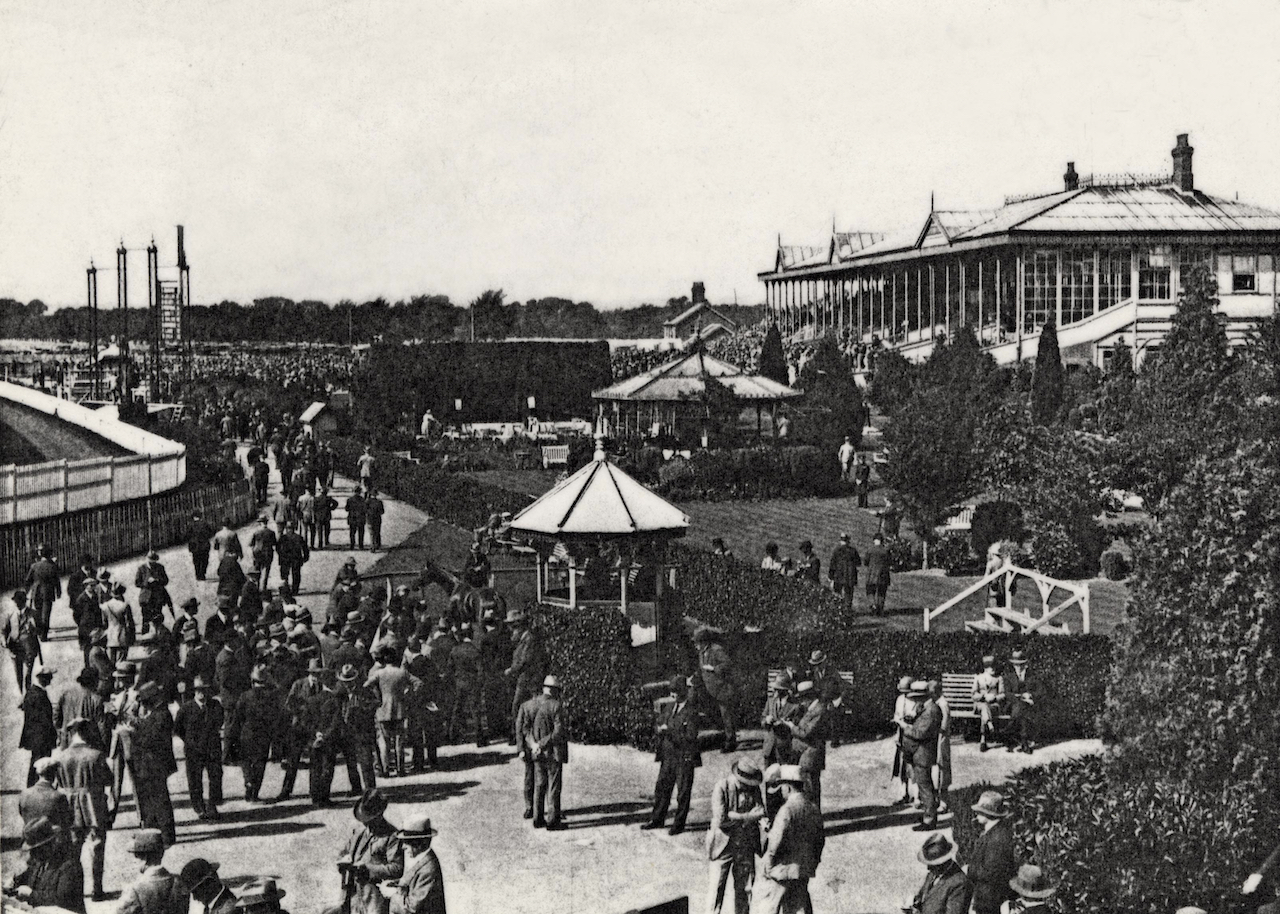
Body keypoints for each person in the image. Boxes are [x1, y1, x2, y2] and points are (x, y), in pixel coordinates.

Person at [752, 765, 823, 914]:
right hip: (803, 868)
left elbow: (776, 841)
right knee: (799, 908)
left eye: (782, 787)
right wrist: (813, 861)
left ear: (788, 787)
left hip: (782, 869)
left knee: (770, 906)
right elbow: (820, 839)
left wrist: (769, 862)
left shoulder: (787, 809)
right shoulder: (813, 807)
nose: (781, 791)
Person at [59, 718, 114, 901]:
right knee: (97, 848)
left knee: (72, 850)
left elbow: (58, 783)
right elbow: (108, 780)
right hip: (93, 806)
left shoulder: (62, 756)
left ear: (71, 733)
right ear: (86, 732)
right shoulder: (96, 755)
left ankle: (74, 891)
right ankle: (97, 891)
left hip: (70, 808)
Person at [642, 675, 700, 836]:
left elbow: (691, 736)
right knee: (661, 788)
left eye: (676, 692)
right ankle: (657, 819)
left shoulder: (691, 712)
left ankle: (679, 824)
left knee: (682, 792)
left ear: (683, 692)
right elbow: (659, 723)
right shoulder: (669, 707)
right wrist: (659, 728)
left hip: (684, 757)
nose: (673, 695)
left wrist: (670, 731)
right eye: (672, 692)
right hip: (668, 756)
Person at [707, 758, 764, 914]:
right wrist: (747, 817)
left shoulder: (754, 788)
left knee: (745, 889)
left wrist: (736, 816)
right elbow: (722, 820)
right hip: (722, 845)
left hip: (745, 844)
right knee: (716, 889)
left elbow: (761, 811)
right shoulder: (722, 787)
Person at [336, 788, 404, 914]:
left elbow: (397, 868)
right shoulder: (358, 831)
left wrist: (368, 869)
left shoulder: (391, 836)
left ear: (379, 815)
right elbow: (345, 851)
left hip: (374, 900)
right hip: (352, 896)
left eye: (369, 820)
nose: (366, 824)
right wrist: (343, 859)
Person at [126, 681, 178, 846]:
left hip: (154, 764)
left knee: (159, 800)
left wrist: (133, 729)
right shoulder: (158, 712)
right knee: (152, 799)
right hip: (151, 764)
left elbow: (150, 738)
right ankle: (156, 832)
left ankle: (167, 836)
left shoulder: (161, 714)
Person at [514, 674, 568, 829]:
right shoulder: (556, 706)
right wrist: (543, 744)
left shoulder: (531, 705)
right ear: (554, 690)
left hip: (537, 753)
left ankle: (537, 819)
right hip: (553, 752)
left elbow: (524, 728)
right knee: (554, 787)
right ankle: (553, 821)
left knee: (539, 785)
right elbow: (559, 732)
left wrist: (534, 745)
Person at [3, 818, 86, 913]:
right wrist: (13, 881)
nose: (33, 854)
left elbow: (61, 900)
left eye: (37, 849)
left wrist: (31, 894)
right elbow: (27, 875)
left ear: (51, 844)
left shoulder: (69, 865)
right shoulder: (40, 861)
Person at [174, 675, 225, 821]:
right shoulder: (186, 709)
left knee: (215, 777)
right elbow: (177, 728)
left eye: (204, 690)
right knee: (195, 780)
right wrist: (189, 740)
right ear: (194, 692)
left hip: (212, 748)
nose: (201, 693)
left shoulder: (215, 706)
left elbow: (219, 722)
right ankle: (199, 807)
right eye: (198, 690)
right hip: (193, 750)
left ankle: (212, 806)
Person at [233, 664, 281, 802]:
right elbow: (275, 718)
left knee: (246, 761)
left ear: (253, 682)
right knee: (260, 764)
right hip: (263, 735)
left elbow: (237, 717)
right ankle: (253, 794)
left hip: (246, 733)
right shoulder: (271, 697)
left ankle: (248, 780)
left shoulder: (245, 696)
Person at [967, 790, 1017, 914]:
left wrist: (969, 869)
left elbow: (992, 872)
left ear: (988, 814)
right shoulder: (994, 832)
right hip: (986, 896)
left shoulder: (997, 839)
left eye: (979, 812)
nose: (976, 814)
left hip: (990, 900)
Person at [902, 680, 941, 831]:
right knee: (923, 784)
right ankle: (928, 813)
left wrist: (906, 728)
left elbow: (921, 733)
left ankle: (929, 819)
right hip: (919, 752)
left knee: (925, 787)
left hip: (923, 753)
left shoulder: (932, 710)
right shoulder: (925, 707)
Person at [117, 829, 186, 914]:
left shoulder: (134, 889)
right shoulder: (178, 882)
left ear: (144, 858)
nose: (134, 862)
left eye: (136, 856)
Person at [367, 647, 411, 778]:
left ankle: (385, 770)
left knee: (384, 743)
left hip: (383, 710)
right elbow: (418, 683)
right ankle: (400, 769)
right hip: (399, 709)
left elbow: (366, 685)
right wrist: (406, 694)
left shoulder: (379, 674)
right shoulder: (402, 673)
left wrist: (376, 697)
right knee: (399, 741)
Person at [504, 608, 546, 741]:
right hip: (525, 678)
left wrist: (511, 670)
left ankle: (519, 736)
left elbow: (525, 660)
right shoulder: (523, 639)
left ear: (518, 626)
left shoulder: (529, 639)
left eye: (511, 626)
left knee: (518, 707)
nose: (510, 629)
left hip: (529, 679)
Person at [785, 680, 827, 809]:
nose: (801, 702)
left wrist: (791, 726)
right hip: (805, 753)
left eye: (802, 699)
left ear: (809, 697)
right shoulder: (810, 708)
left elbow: (805, 733)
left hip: (811, 755)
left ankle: (814, 821)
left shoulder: (819, 710)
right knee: (807, 788)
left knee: (811, 789)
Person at [391, 814, 446, 914]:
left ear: (421, 843)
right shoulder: (424, 859)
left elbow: (412, 907)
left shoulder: (428, 869)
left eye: (407, 842)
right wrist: (396, 884)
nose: (403, 847)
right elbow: (414, 879)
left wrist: (392, 895)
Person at [694, 626, 738, 752]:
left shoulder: (716, 650)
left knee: (727, 716)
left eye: (697, 643)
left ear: (704, 642)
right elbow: (701, 669)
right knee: (718, 716)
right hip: (711, 690)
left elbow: (728, 664)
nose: (696, 646)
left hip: (723, 689)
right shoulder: (701, 652)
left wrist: (714, 668)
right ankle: (724, 737)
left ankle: (731, 742)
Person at [907, 833, 971, 914]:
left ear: (943, 863)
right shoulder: (933, 873)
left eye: (932, 865)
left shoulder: (959, 883)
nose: (928, 868)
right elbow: (923, 897)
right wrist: (914, 903)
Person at [21, 666, 58, 786]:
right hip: (41, 737)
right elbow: (43, 720)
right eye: (49, 677)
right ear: (42, 678)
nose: (51, 680)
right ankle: (35, 788)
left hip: (36, 737)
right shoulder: (38, 695)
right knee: (40, 764)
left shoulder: (33, 692)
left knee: (36, 762)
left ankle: (33, 787)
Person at [56, 666, 106, 750]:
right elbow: (102, 726)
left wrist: (61, 733)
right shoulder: (96, 699)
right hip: (88, 745)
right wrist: (104, 747)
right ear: (94, 682)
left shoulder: (66, 694)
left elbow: (56, 717)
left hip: (67, 743)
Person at [20, 756, 72, 829]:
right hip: (51, 839)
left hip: (30, 838)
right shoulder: (59, 796)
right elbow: (66, 821)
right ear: (54, 774)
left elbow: (22, 814)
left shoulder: (24, 794)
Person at [760, 672, 798, 767]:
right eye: (775, 689)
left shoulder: (795, 705)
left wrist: (785, 724)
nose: (775, 692)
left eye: (778, 689)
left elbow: (797, 727)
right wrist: (766, 721)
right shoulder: (770, 701)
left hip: (784, 749)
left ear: (785, 690)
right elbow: (762, 719)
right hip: (769, 748)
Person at [25, 544, 61, 642]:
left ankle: (40, 631)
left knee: (38, 613)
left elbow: (28, 580)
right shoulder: (53, 566)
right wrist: (58, 591)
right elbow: (56, 580)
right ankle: (43, 636)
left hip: (36, 593)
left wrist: (27, 592)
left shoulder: (34, 566)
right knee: (46, 614)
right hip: (48, 592)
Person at [1002, 651, 1036, 753]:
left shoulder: (1031, 676)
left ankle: (1009, 733)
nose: (1019, 667)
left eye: (1021, 664)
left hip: (1028, 704)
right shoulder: (1008, 677)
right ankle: (1024, 742)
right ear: (1013, 665)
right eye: (1016, 665)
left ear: (1025, 664)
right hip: (1012, 705)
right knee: (1021, 709)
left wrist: (1030, 695)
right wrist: (1020, 696)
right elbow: (1007, 694)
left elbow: (1040, 690)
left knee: (1022, 711)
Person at [135, 551, 173, 636]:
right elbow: (137, 583)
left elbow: (166, 581)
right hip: (146, 597)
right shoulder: (141, 569)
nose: (152, 563)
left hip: (158, 597)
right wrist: (146, 582)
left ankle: (158, 634)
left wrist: (157, 580)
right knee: (145, 617)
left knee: (157, 616)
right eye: (150, 561)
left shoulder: (160, 567)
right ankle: (145, 635)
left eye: (153, 561)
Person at [972, 655, 1004, 752]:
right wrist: (983, 696)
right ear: (985, 668)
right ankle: (989, 724)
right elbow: (973, 694)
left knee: (985, 709)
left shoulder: (999, 678)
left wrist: (994, 697)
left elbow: (1002, 694)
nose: (993, 669)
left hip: (993, 705)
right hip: (980, 704)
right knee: (984, 706)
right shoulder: (978, 678)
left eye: (994, 666)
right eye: (990, 667)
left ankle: (983, 740)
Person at [928, 680, 951, 814]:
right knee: (935, 769)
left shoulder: (943, 704)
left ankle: (944, 801)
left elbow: (944, 724)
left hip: (941, 741)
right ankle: (936, 799)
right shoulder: (935, 703)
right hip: (934, 740)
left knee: (942, 769)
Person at [828, 534, 860, 613]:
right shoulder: (853, 551)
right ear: (848, 541)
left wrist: (830, 576)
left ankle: (837, 610)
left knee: (837, 592)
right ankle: (847, 610)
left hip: (838, 575)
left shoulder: (836, 550)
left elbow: (832, 564)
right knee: (848, 594)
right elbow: (858, 562)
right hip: (849, 576)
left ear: (840, 540)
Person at [277, 523, 311, 596]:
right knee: (296, 575)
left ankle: (286, 589)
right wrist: (305, 557)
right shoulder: (298, 537)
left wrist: (280, 556)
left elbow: (278, 548)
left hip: (285, 559)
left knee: (284, 575)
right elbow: (305, 548)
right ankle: (295, 591)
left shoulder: (283, 538)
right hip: (296, 559)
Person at [864, 534, 891, 616]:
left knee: (870, 590)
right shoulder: (885, 551)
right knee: (882, 591)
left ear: (874, 540)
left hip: (872, 573)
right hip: (883, 573)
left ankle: (872, 605)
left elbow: (866, 562)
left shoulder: (870, 550)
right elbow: (889, 562)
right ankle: (880, 608)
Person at [250, 518, 278, 591]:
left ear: (260, 523)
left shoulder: (256, 532)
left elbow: (251, 544)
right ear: (266, 523)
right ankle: (263, 589)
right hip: (267, 553)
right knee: (266, 571)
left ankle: (257, 588)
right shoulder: (271, 532)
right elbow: (274, 543)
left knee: (257, 571)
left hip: (257, 553)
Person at [188, 511, 216, 581]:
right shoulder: (205, 524)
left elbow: (187, 535)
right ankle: (203, 573)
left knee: (196, 560)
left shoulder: (191, 525)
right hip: (204, 545)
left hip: (194, 546)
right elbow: (211, 532)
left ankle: (198, 574)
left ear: (194, 517)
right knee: (204, 560)